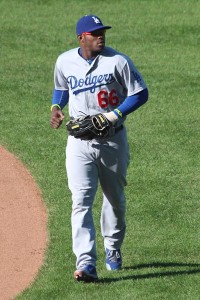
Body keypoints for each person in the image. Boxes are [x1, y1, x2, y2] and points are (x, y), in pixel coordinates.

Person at [50, 14, 149, 282]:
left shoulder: (118, 61)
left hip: (113, 141)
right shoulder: (64, 61)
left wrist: (112, 115)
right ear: (82, 38)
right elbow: (61, 88)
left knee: (114, 199)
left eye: (102, 31)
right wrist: (56, 107)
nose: (101, 36)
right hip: (79, 144)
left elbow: (140, 93)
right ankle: (85, 263)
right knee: (80, 201)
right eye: (95, 33)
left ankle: (113, 249)